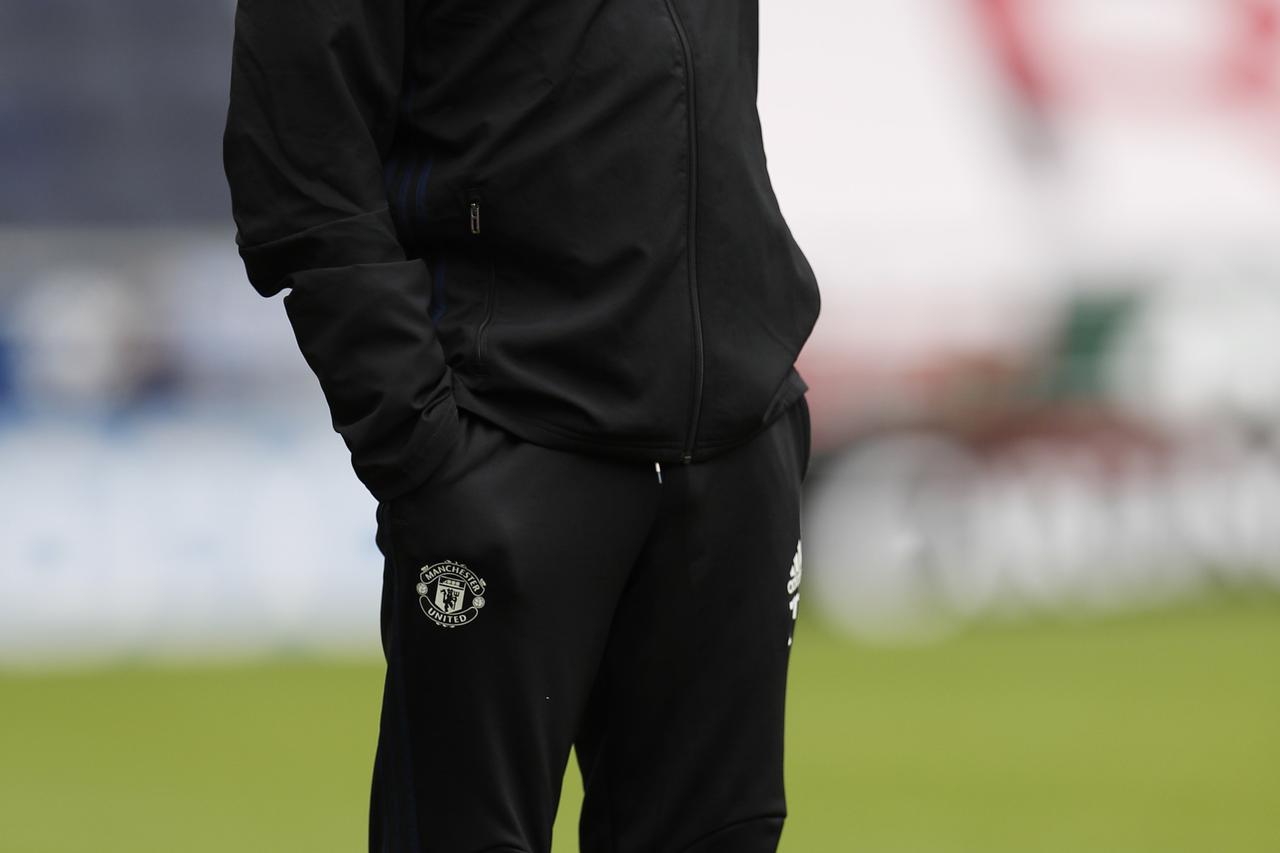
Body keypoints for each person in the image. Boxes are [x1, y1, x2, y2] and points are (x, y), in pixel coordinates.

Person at [222, 0, 820, 850]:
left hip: (734, 443)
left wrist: (756, 370)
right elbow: (299, 159)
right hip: (507, 432)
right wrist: (420, 443)